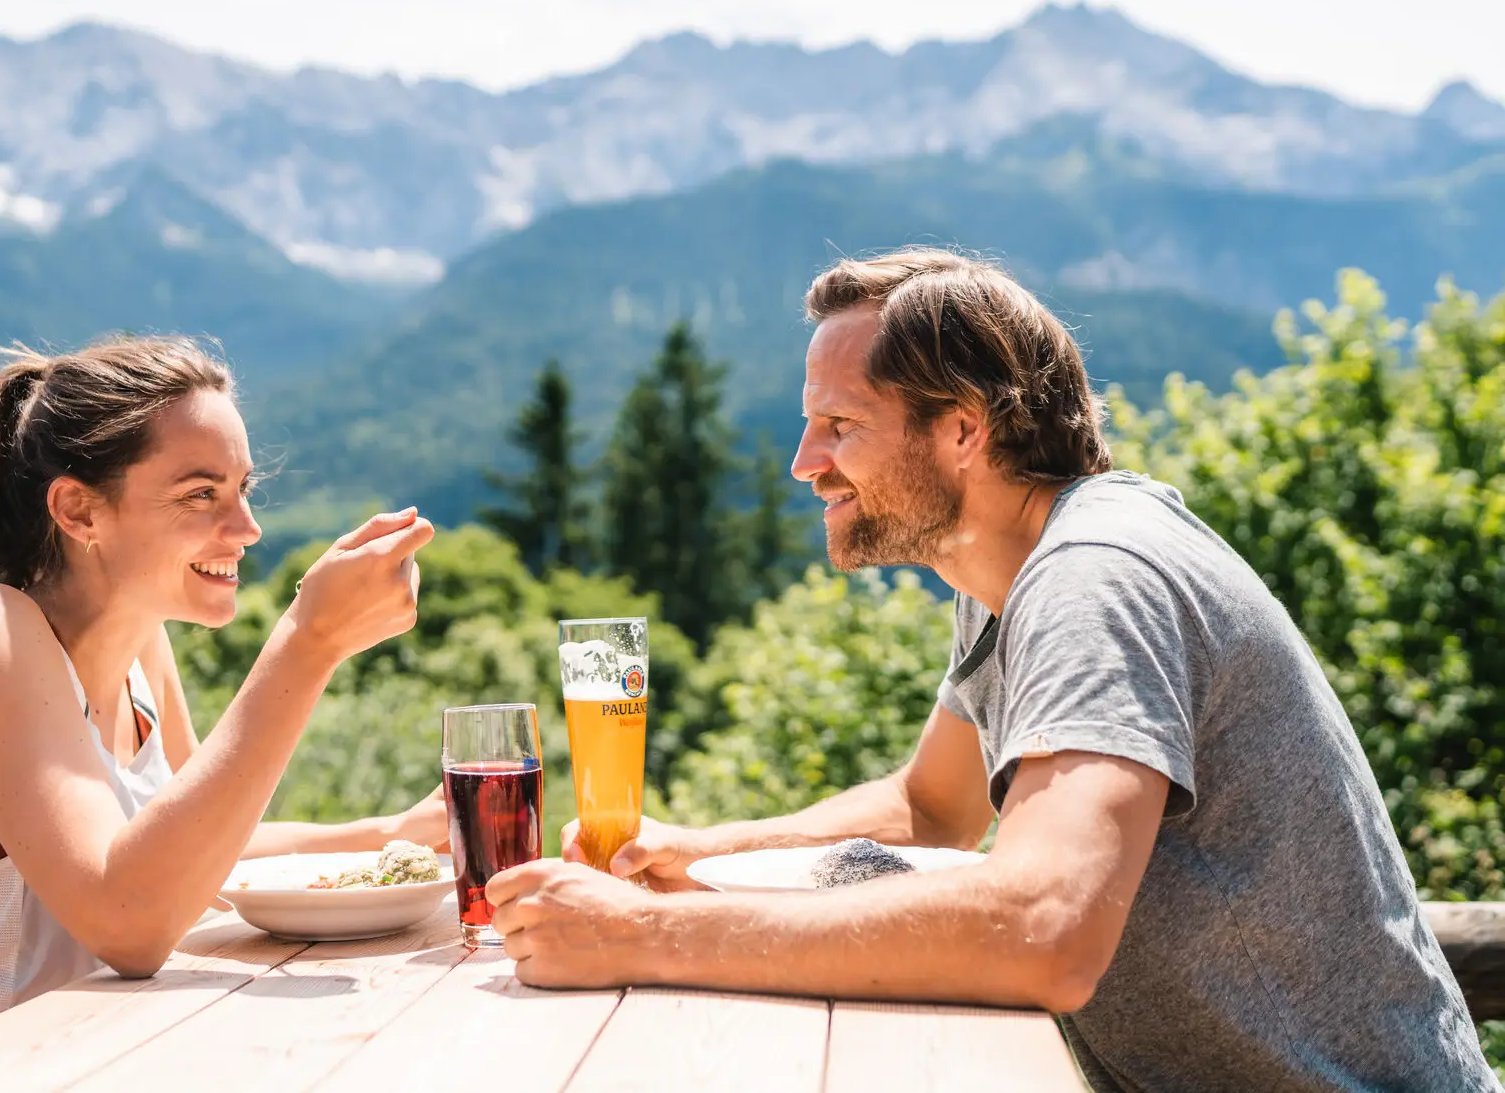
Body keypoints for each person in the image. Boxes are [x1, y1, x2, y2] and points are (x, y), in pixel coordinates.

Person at [486, 250, 1493, 1092]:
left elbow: (1042, 928)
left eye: (840, 426)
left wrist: (646, 938)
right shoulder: (1008, 569)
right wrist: (694, 854)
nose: (804, 461)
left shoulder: (1094, 582)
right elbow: (932, 809)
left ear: (964, 428)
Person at [0, 336, 439, 1083]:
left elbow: (193, 856)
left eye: (245, 489)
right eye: (200, 493)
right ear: (79, 509)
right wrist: (306, 647)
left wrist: (390, 833)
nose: (246, 529)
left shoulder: (143, 648)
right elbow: (131, 920)